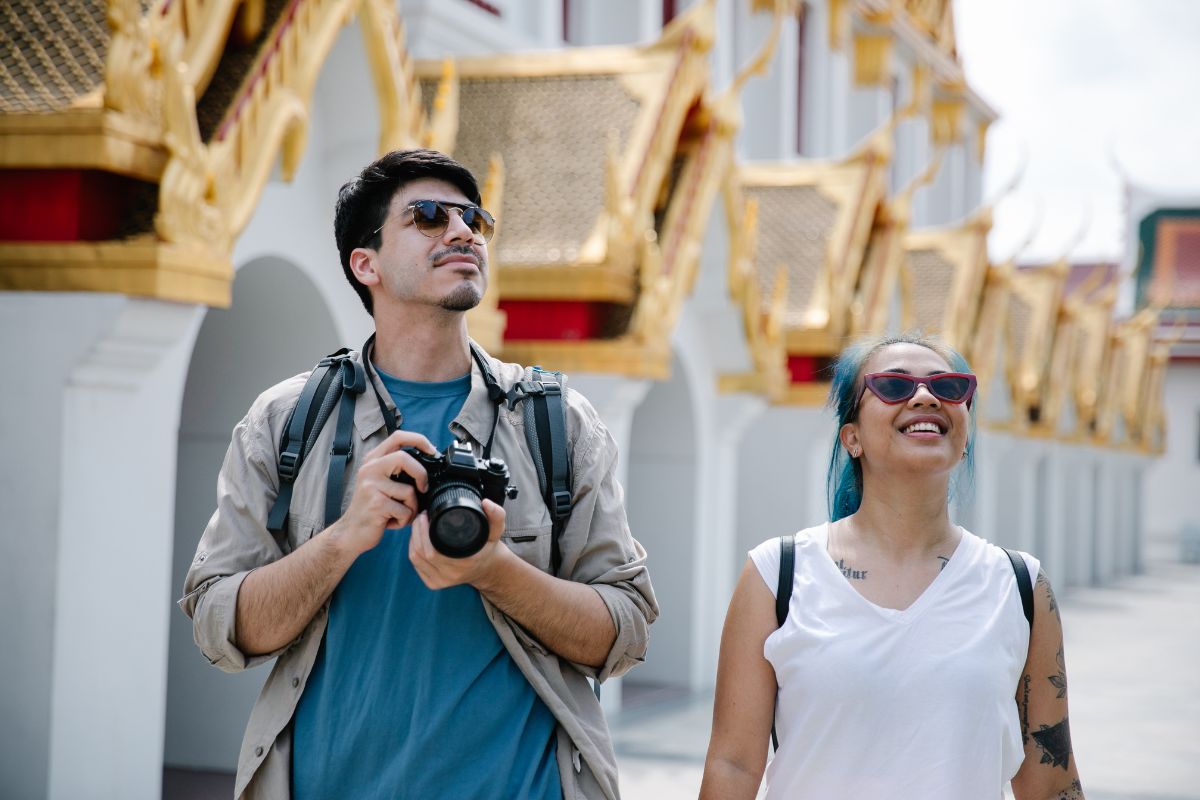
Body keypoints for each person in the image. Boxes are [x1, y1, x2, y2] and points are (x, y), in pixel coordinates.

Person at [179, 149, 658, 800]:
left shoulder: (558, 424)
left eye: (474, 219)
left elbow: (625, 631)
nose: (462, 232)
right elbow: (219, 625)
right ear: (365, 263)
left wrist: (494, 571)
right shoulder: (287, 421)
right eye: (428, 217)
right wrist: (346, 534)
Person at [699, 334, 1084, 799]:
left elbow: (1051, 781)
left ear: (963, 438)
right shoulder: (777, 574)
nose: (925, 397)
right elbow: (734, 766)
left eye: (949, 387)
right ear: (852, 437)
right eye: (894, 387)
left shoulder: (1020, 586)